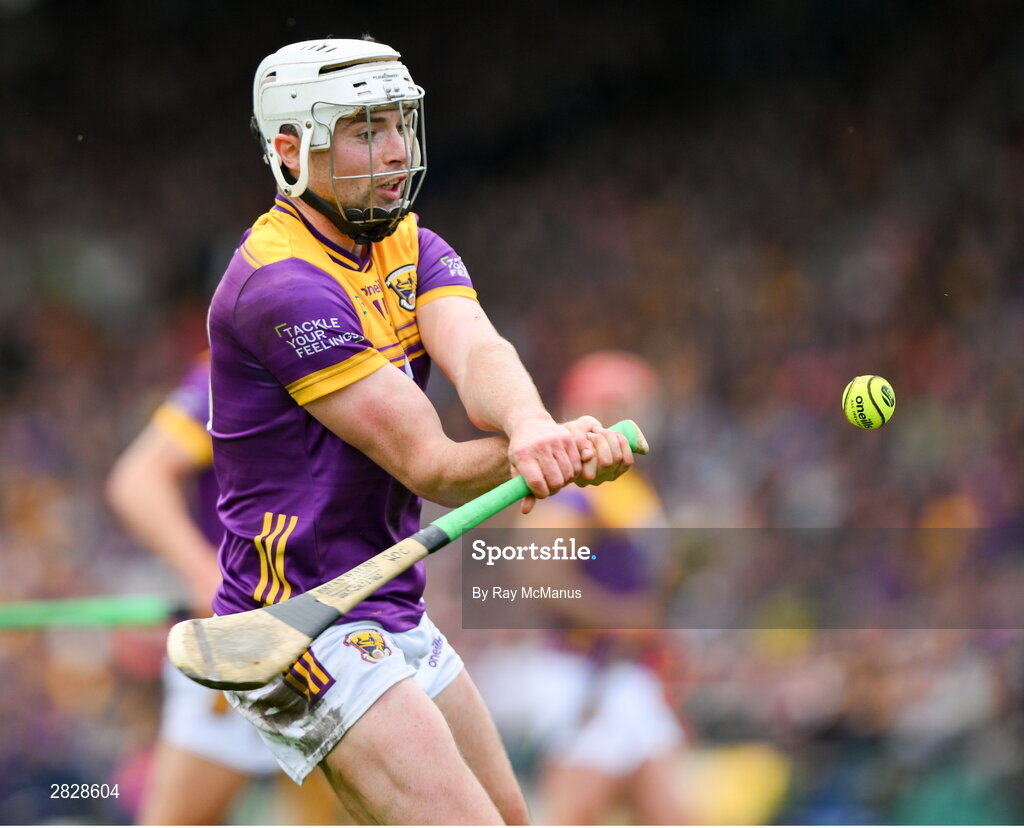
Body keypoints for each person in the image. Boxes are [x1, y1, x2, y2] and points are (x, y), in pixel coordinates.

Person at [204, 37, 634, 825]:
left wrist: (538, 427)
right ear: (292, 149)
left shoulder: (410, 244)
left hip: (390, 602)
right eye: (366, 132)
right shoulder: (281, 287)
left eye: (400, 125)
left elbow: (477, 351)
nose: (397, 151)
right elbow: (428, 463)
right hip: (303, 623)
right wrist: (557, 458)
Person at [106, 353, 345, 825]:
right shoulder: (242, 360)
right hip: (245, 643)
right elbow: (136, 480)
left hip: (344, 635)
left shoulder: (371, 348)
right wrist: (209, 580)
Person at [474, 350, 689, 825]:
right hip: (586, 675)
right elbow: (536, 575)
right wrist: (622, 618)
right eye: (635, 402)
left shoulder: (630, 487)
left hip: (627, 675)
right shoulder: (576, 490)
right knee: (574, 814)